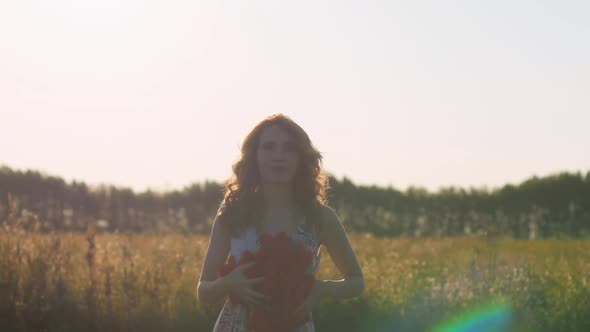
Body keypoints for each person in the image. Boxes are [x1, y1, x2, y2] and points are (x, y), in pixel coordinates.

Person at [197, 114, 365, 331]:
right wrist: (228, 284)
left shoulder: (320, 217)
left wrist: (323, 289)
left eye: (289, 148)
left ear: (301, 158)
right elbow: (203, 293)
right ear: (254, 156)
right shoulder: (232, 214)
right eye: (269, 147)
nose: (279, 156)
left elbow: (357, 281)